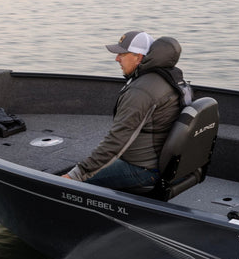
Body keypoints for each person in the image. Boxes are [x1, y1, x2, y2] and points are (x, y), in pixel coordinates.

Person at [62, 30, 191, 192]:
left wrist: (76, 175)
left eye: (122, 54)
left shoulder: (142, 91)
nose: (117, 59)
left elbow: (116, 142)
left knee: (68, 183)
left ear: (138, 57)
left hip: (144, 169)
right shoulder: (172, 78)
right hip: (165, 163)